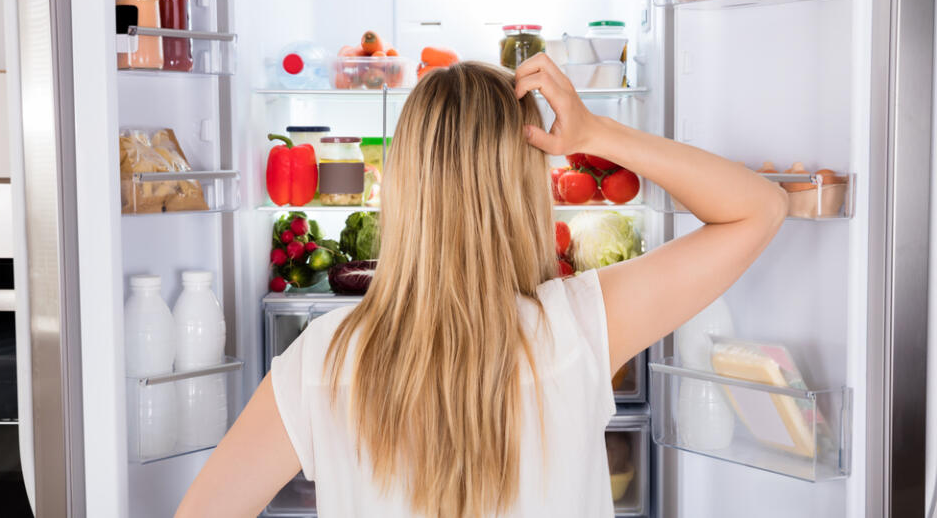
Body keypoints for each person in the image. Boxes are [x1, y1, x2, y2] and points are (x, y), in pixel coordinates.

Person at [175, 55, 787, 518]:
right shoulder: (579, 325)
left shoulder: (319, 358)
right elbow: (759, 209)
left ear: (405, 184)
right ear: (523, 188)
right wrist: (595, 134)